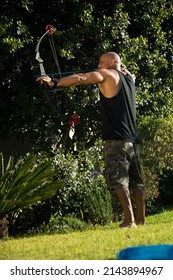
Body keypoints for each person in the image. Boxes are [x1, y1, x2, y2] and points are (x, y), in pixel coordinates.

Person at [36, 52, 145, 228]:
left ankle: (129, 220)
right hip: (133, 140)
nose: (98, 65)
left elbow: (81, 78)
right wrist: (124, 69)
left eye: (101, 61)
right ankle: (141, 220)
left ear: (111, 62)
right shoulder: (130, 79)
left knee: (118, 180)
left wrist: (54, 82)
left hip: (116, 140)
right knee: (137, 182)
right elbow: (130, 73)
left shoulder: (108, 74)